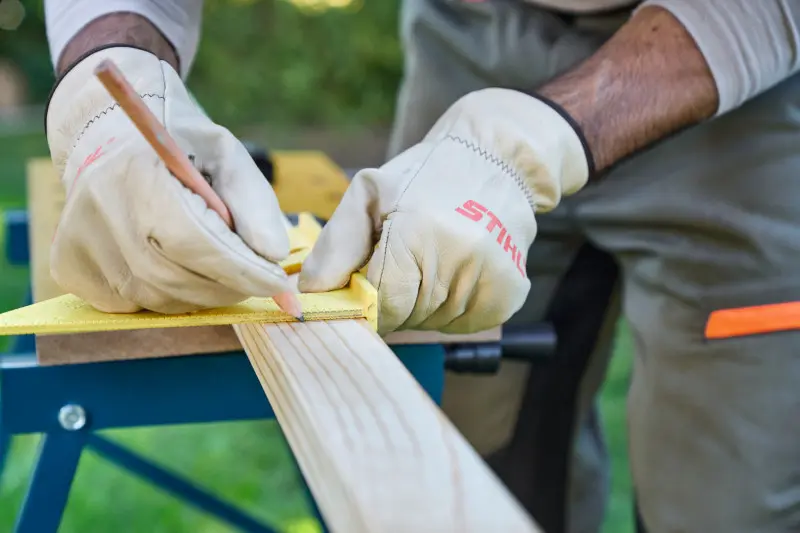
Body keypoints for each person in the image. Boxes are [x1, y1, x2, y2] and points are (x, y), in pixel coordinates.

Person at [43, 1, 800, 532]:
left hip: (727, 66)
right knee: (459, 444)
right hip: (466, 32)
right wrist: (108, 86)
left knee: (729, 495)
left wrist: (533, 139)